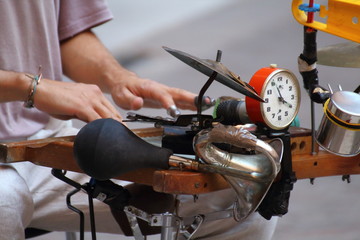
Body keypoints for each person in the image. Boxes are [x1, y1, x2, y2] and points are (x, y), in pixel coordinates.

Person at [0, 1, 277, 239]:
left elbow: (64, 33)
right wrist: (29, 88)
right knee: (4, 201)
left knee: (236, 193)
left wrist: (120, 79)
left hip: (46, 141)